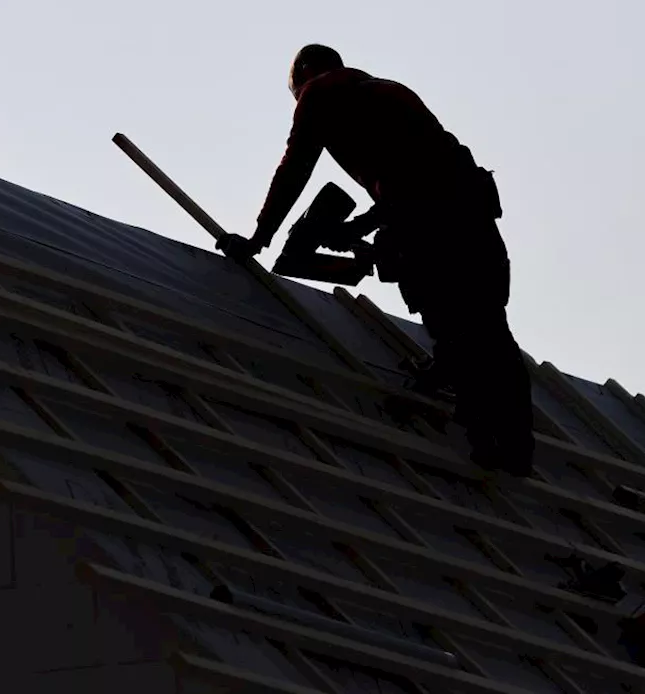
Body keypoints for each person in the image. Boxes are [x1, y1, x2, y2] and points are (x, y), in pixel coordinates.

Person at [217, 44, 535, 476]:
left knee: (457, 326)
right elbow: (422, 172)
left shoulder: (319, 92)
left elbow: (297, 165)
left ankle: (487, 440)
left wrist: (260, 236)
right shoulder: (389, 91)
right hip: (469, 215)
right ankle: (516, 444)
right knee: (489, 327)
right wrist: (365, 228)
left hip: (432, 223)